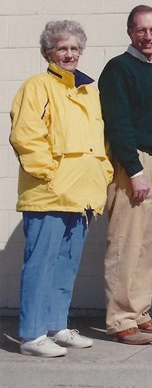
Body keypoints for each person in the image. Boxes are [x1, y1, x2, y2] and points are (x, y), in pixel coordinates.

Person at [9, 20, 113, 357]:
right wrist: (49, 173)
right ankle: (31, 334)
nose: (70, 54)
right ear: (48, 52)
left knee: (67, 263)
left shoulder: (88, 90)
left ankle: (56, 326)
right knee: (41, 263)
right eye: (62, 48)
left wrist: (103, 171)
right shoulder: (37, 86)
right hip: (49, 192)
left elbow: (99, 140)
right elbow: (26, 134)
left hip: (82, 194)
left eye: (75, 49)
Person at [99, 5, 152, 345]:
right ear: (130, 32)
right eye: (142, 30)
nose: (148, 36)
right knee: (126, 244)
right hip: (134, 164)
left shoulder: (151, 69)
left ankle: (139, 311)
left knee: (148, 245)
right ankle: (120, 319)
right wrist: (135, 169)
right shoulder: (118, 68)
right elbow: (118, 123)